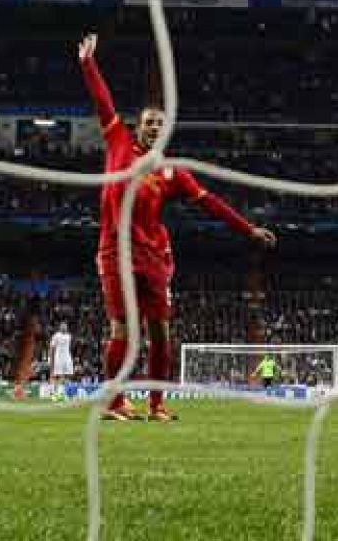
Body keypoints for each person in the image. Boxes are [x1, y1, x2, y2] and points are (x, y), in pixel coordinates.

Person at [78, 34, 277, 423]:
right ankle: (114, 403)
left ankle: (157, 405)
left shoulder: (173, 172)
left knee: (161, 331)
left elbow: (210, 202)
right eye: (149, 122)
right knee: (122, 329)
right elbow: (102, 100)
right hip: (115, 252)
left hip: (153, 256)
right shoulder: (118, 139)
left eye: (160, 124)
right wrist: (88, 63)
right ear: (138, 127)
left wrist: (248, 229)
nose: (154, 127)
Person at [48, 322, 74, 401]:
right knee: (57, 376)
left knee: (67, 376)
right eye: (62, 326)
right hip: (58, 358)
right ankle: (54, 394)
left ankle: (63, 393)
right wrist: (50, 358)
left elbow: (68, 348)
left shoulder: (69, 336)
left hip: (67, 358)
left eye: (65, 326)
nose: (64, 327)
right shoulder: (56, 336)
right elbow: (52, 348)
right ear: (60, 327)